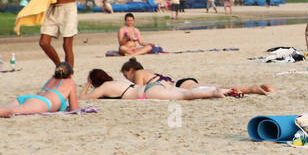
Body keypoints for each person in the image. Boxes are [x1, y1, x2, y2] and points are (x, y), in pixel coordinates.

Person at [115, 60, 277, 98]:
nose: (127, 78)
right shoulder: (148, 71)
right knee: (216, 86)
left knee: (210, 89)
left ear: (130, 70)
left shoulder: (138, 73)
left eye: (125, 75)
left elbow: (138, 91)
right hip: (181, 81)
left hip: (180, 86)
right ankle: (252, 88)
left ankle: (252, 89)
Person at [83, 68, 275, 100]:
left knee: (185, 96)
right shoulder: (120, 80)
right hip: (157, 86)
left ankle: (217, 92)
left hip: (147, 93)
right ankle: (227, 90)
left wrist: (86, 85)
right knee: (192, 90)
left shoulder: (104, 88)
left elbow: (85, 99)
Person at [0, 62, 78, 119]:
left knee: (1, 109)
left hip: (29, 98)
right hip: (42, 103)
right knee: (9, 112)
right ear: (70, 74)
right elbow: (74, 108)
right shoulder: (70, 82)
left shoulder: (50, 80)